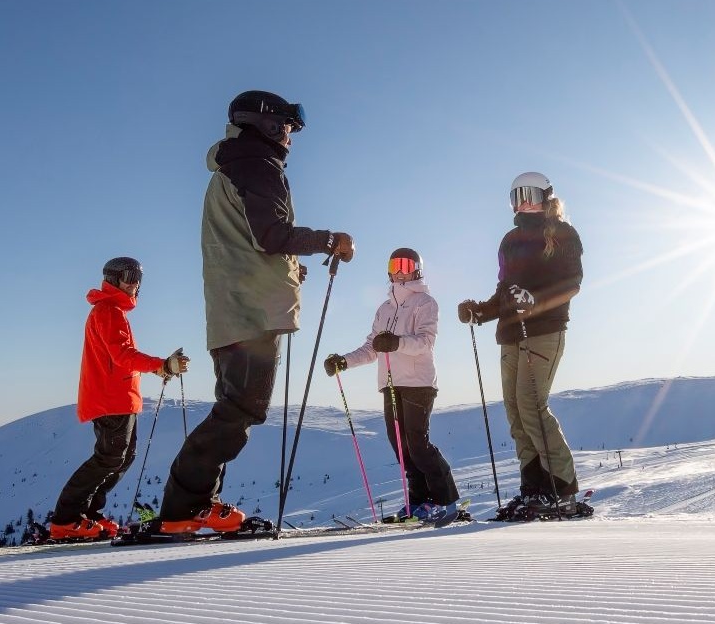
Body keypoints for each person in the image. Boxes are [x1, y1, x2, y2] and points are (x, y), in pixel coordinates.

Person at [151, 90, 354, 535]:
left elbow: (249, 240)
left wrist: (289, 268)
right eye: (286, 127)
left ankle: (196, 506)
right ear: (265, 125)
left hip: (233, 309)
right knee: (241, 410)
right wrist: (330, 240)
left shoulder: (235, 165)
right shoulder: (258, 165)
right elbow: (272, 235)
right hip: (252, 314)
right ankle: (182, 509)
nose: (290, 137)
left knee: (234, 408)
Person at [458, 171, 589, 519]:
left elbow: (572, 283)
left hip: (544, 330)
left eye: (530, 195)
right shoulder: (510, 240)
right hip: (511, 334)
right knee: (516, 412)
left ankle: (562, 489)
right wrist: (480, 312)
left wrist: (535, 302)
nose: (524, 203)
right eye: (517, 197)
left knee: (532, 406)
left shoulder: (562, 233)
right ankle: (534, 488)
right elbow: (505, 291)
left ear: (546, 197)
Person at [50, 257, 189, 540]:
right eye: (128, 276)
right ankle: (67, 519)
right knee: (109, 458)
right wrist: (161, 364)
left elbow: (120, 358)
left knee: (121, 458)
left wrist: (159, 368)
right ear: (113, 279)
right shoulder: (109, 310)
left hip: (119, 399)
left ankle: (88, 514)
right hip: (111, 400)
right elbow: (122, 355)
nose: (135, 283)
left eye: (138, 278)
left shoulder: (112, 311)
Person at [324, 247, 460, 524]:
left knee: (418, 444)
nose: (399, 272)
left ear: (417, 269)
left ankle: (446, 501)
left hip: (418, 382)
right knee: (402, 448)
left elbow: (426, 342)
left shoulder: (425, 302)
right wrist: (344, 362)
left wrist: (397, 343)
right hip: (390, 384)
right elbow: (371, 348)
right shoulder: (384, 309)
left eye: (405, 265)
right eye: (394, 265)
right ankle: (419, 502)